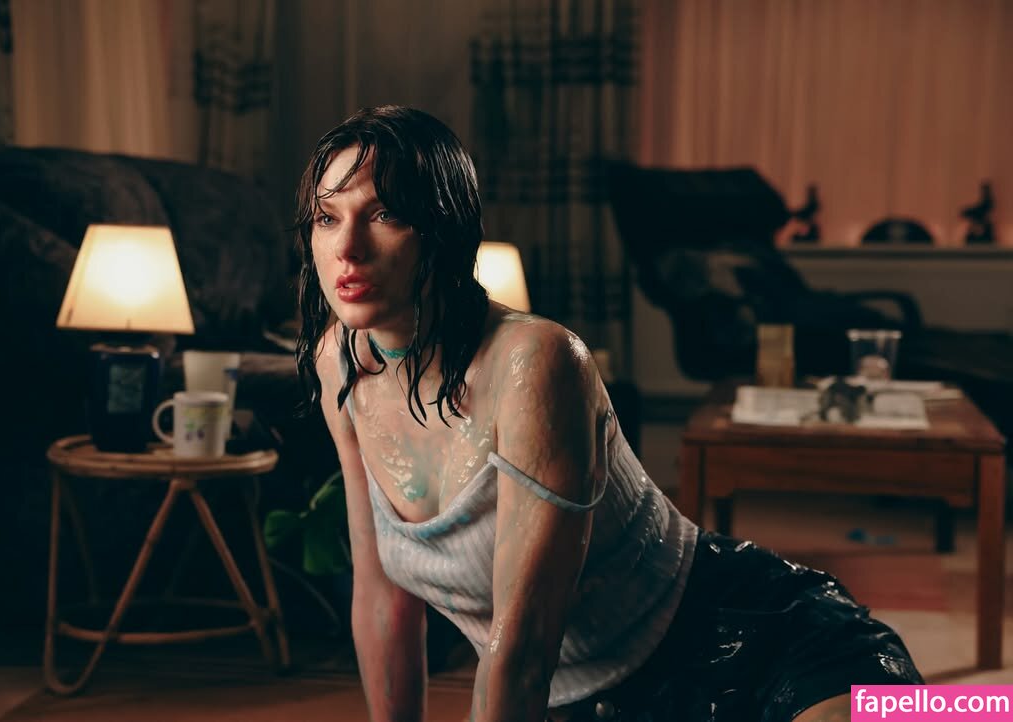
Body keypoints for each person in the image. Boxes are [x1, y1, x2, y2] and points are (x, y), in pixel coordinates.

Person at [293, 105, 922, 722]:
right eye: (327, 217)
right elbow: (381, 594)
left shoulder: (536, 361)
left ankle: (955, 708)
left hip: (762, 643)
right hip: (597, 705)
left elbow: (522, 648)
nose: (348, 247)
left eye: (387, 214)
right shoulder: (339, 363)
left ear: (444, 226)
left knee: (908, 717)